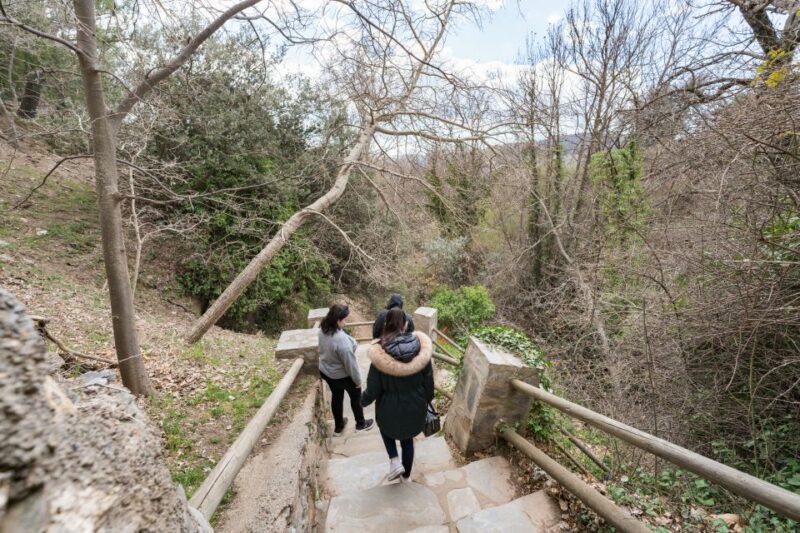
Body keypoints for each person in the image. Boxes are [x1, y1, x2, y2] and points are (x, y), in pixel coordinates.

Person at [361, 308, 434, 481]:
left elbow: (373, 388)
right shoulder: (421, 351)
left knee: (386, 430)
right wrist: (428, 400)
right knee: (408, 441)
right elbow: (429, 381)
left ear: (387, 325)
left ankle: (394, 461)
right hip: (416, 406)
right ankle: (406, 477)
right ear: (406, 324)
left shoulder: (381, 353)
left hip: (388, 407)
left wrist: (363, 401)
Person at [318, 304, 374, 435]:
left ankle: (338, 426)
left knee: (336, 397)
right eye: (345, 319)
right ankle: (361, 424)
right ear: (338, 320)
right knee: (356, 397)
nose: (346, 322)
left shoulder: (323, 329)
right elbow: (350, 364)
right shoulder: (341, 340)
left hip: (327, 371)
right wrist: (358, 381)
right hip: (341, 375)